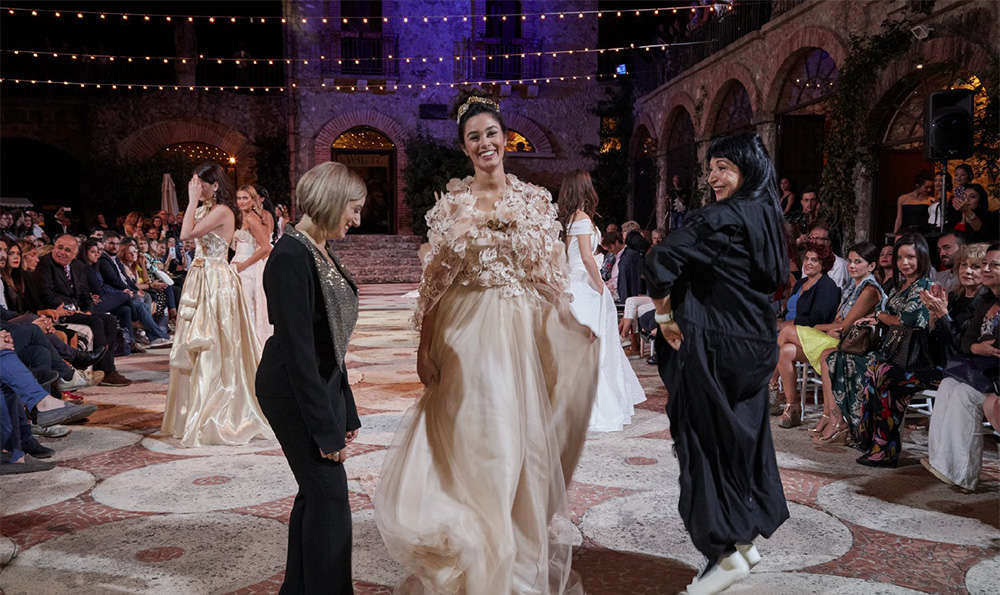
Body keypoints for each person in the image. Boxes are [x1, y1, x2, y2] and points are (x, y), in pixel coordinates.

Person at [375, 89, 600, 594]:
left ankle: (510, 552)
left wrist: (569, 321)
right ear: (465, 147)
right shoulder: (452, 206)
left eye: (491, 133)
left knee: (517, 442)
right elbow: (435, 282)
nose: (484, 143)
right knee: (478, 440)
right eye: (473, 137)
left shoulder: (534, 201)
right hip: (467, 335)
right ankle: (478, 550)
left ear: (505, 138)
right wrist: (424, 345)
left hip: (519, 334)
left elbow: (547, 274)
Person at [643, 133, 789, 594]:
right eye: (711, 168)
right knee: (740, 440)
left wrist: (663, 314)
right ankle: (744, 539)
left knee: (703, 442)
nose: (713, 177)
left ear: (748, 169)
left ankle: (723, 554)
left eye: (724, 167)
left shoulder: (721, 218)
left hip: (715, 345)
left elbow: (660, 258)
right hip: (755, 343)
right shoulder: (768, 216)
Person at [256, 161, 365, 594]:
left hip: (320, 387)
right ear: (332, 201)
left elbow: (331, 342)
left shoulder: (318, 247)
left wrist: (346, 410)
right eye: (354, 208)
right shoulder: (290, 256)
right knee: (330, 498)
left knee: (316, 494)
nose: (357, 219)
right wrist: (326, 430)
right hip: (293, 391)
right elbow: (300, 353)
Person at [161, 162, 271, 447]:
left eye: (200, 183)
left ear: (215, 185)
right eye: (193, 183)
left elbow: (185, 234)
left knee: (214, 344)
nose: (195, 188)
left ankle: (220, 412)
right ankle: (191, 412)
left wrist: (190, 201)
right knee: (192, 345)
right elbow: (190, 238)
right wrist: (194, 206)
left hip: (216, 279)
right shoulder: (203, 210)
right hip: (199, 277)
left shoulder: (222, 211)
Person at [826, 233, 938, 466]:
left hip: (917, 360)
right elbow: (892, 318)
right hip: (893, 352)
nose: (904, 263)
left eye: (910, 257)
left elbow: (907, 320)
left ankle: (884, 447)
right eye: (900, 258)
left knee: (879, 373)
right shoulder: (900, 286)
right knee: (851, 362)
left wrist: (880, 315)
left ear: (922, 257)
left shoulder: (926, 286)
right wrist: (876, 319)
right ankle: (866, 436)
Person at [558, 170, 646, 432]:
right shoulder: (582, 218)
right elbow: (587, 257)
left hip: (573, 284)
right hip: (586, 286)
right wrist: (599, 285)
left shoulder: (569, 218)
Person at [922, 243, 1000, 491]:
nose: (984, 270)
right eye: (983, 264)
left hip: (992, 376)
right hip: (975, 367)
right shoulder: (986, 300)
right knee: (948, 386)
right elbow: (967, 342)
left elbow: (986, 346)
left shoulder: (981, 298)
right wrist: (977, 347)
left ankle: (964, 475)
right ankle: (941, 463)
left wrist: (975, 346)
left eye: (991, 265)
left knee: (964, 395)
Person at [30, 234, 131, 387]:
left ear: (75, 254)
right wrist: (73, 308)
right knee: (96, 321)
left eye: (67, 250)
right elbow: (47, 294)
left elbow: (85, 293)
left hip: (77, 310)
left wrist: (88, 310)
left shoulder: (78, 266)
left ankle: (108, 368)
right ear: (54, 247)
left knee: (110, 320)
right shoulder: (45, 264)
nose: (62, 252)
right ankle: (104, 370)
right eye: (59, 248)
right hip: (57, 311)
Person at [770, 243, 842, 427]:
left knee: (783, 332)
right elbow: (789, 311)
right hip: (797, 336)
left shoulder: (828, 287)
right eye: (807, 259)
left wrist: (786, 324)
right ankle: (792, 406)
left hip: (818, 336)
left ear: (823, 264)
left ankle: (772, 384)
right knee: (785, 351)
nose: (808, 263)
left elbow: (817, 319)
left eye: (814, 260)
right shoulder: (801, 283)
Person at [233, 185, 274, 348]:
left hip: (247, 268)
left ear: (253, 199)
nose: (241, 201)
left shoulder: (251, 219)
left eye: (245, 198)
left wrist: (243, 265)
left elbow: (266, 247)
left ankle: (251, 348)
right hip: (239, 265)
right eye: (239, 198)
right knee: (240, 308)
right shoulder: (242, 217)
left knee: (247, 308)